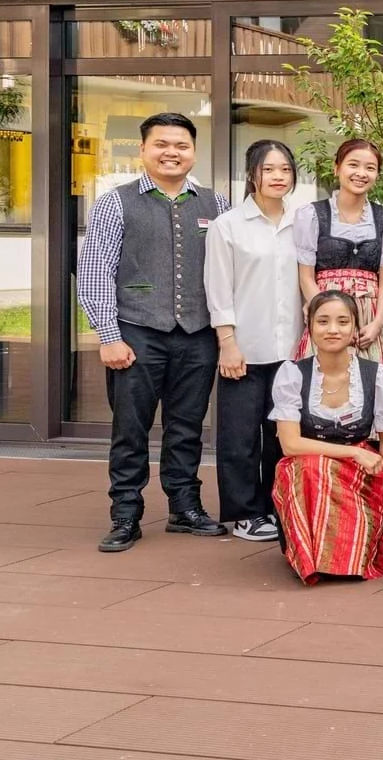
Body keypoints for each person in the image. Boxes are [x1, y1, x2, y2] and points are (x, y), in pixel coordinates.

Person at [79, 112, 231, 551]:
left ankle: (185, 508)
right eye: (161, 144)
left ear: (194, 152)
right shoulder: (115, 202)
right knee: (131, 429)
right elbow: (95, 272)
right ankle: (125, 514)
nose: (171, 153)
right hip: (137, 332)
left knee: (187, 427)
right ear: (143, 149)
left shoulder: (217, 204)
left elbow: (228, 271)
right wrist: (109, 335)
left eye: (181, 145)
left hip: (197, 333)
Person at [205, 139, 303, 543]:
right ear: (252, 175)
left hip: (292, 349)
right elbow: (219, 288)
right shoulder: (228, 225)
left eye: (285, 169)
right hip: (245, 346)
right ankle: (246, 512)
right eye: (269, 169)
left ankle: (279, 507)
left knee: (282, 435)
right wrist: (227, 342)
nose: (278, 176)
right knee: (240, 436)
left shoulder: (303, 223)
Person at [270, 291, 383, 584]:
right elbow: (290, 444)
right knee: (311, 467)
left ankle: (346, 555)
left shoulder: (376, 375)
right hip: (309, 471)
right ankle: (313, 555)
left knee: (319, 470)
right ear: (310, 327)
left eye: (343, 322)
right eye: (323, 321)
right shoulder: (292, 374)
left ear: (355, 328)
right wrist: (354, 452)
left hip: (359, 474)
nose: (333, 329)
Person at [292, 139, 383, 383]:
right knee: (322, 386)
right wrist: (327, 316)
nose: (361, 173)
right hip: (325, 313)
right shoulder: (312, 215)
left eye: (370, 168)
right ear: (337, 168)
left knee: (376, 385)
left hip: (370, 317)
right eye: (353, 165)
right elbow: (306, 276)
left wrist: (377, 323)